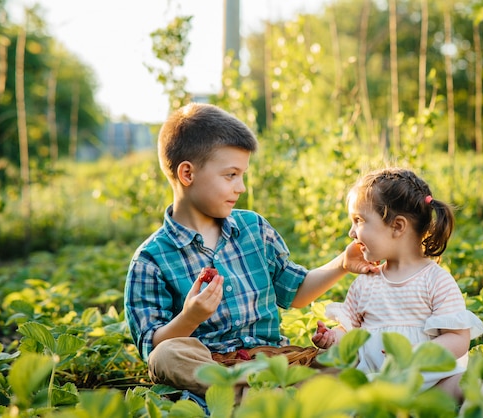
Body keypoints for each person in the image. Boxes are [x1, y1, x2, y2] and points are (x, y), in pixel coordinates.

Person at [124, 103, 378, 403]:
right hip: (212, 367)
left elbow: (295, 293)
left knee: (350, 347)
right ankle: (272, 396)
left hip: (277, 362)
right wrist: (191, 317)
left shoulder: (254, 228)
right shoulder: (151, 260)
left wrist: (342, 264)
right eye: (230, 175)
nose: (241, 187)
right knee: (166, 356)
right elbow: (153, 347)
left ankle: (253, 397)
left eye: (242, 175)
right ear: (187, 173)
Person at [312, 167, 483, 402]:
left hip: (431, 385)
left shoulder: (435, 280)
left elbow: (457, 338)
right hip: (377, 384)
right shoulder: (366, 283)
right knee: (323, 380)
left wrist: (417, 354)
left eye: (359, 220)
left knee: (471, 384)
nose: (351, 232)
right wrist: (333, 338)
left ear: (397, 226)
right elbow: (349, 333)